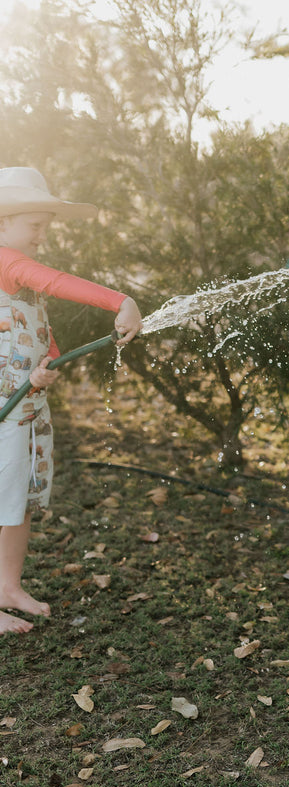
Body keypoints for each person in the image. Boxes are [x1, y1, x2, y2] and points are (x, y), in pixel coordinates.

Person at [0, 167, 142, 635]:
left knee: (15, 501)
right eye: (35, 227)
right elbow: (54, 281)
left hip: (25, 407)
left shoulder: (16, 274)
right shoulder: (6, 261)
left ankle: (8, 586)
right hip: (4, 410)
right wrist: (119, 300)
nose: (41, 238)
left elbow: (41, 333)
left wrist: (47, 365)